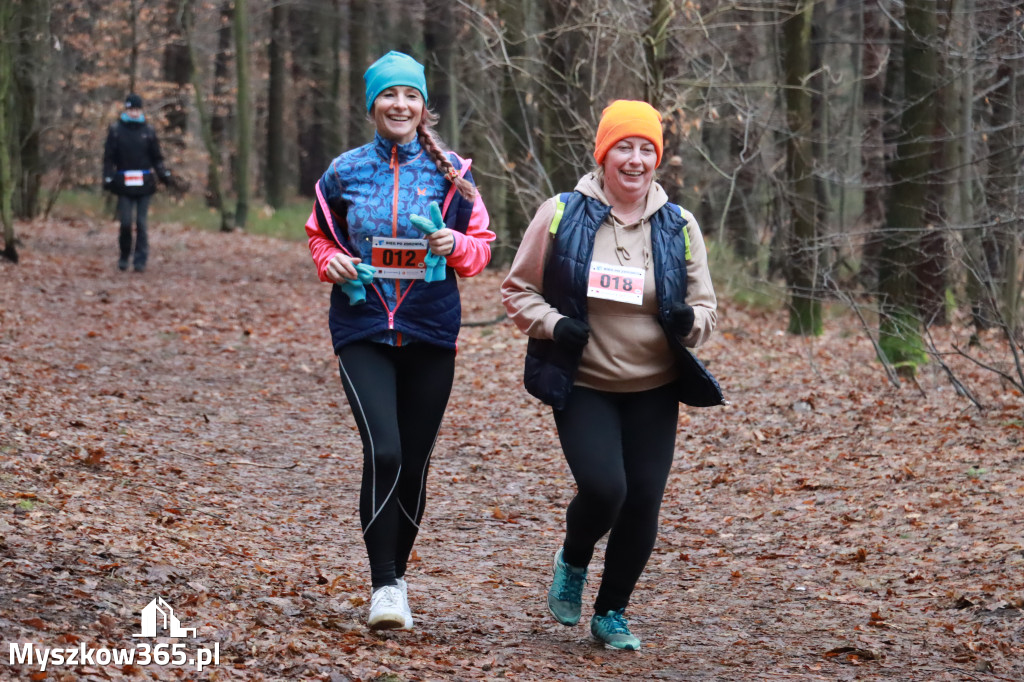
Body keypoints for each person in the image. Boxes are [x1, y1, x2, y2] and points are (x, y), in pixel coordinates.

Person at [501, 100, 724, 650]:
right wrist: (554, 325)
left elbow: (708, 312)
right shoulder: (560, 213)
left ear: (658, 158)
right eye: (623, 146)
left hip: (655, 384)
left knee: (643, 498)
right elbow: (517, 291)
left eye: (646, 148)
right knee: (606, 488)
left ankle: (612, 612)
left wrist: (686, 319)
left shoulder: (680, 225)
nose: (635, 159)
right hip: (584, 380)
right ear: (603, 154)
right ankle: (573, 559)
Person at [305, 51, 495, 630]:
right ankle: (383, 583)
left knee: (414, 463)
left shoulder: (453, 173)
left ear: (422, 106)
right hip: (363, 328)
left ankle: (399, 580)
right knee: (383, 450)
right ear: (372, 105)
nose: (400, 105)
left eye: (410, 95)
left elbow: (481, 247)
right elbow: (322, 236)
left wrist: (454, 247)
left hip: (430, 332)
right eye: (389, 95)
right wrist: (333, 261)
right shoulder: (343, 172)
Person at [102, 93, 172, 273]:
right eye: (131, 109)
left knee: (141, 223)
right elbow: (108, 157)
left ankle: (140, 259)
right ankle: (124, 255)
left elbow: (157, 157)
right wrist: (108, 177)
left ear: (140, 110)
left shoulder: (148, 131)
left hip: (145, 183)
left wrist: (164, 174)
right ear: (126, 110)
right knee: (126, 222)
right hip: (124, 182)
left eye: (136, 109)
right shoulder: (116, 130)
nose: (133, 113)